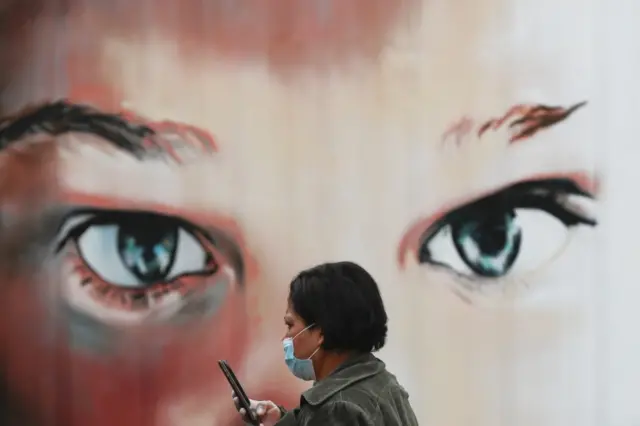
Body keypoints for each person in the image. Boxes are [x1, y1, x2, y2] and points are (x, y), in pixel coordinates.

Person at [234, 261, 419, 425]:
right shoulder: (381, 381)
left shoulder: (336, 409)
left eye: (290, 324)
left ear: (320, 332)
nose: (285, 338)